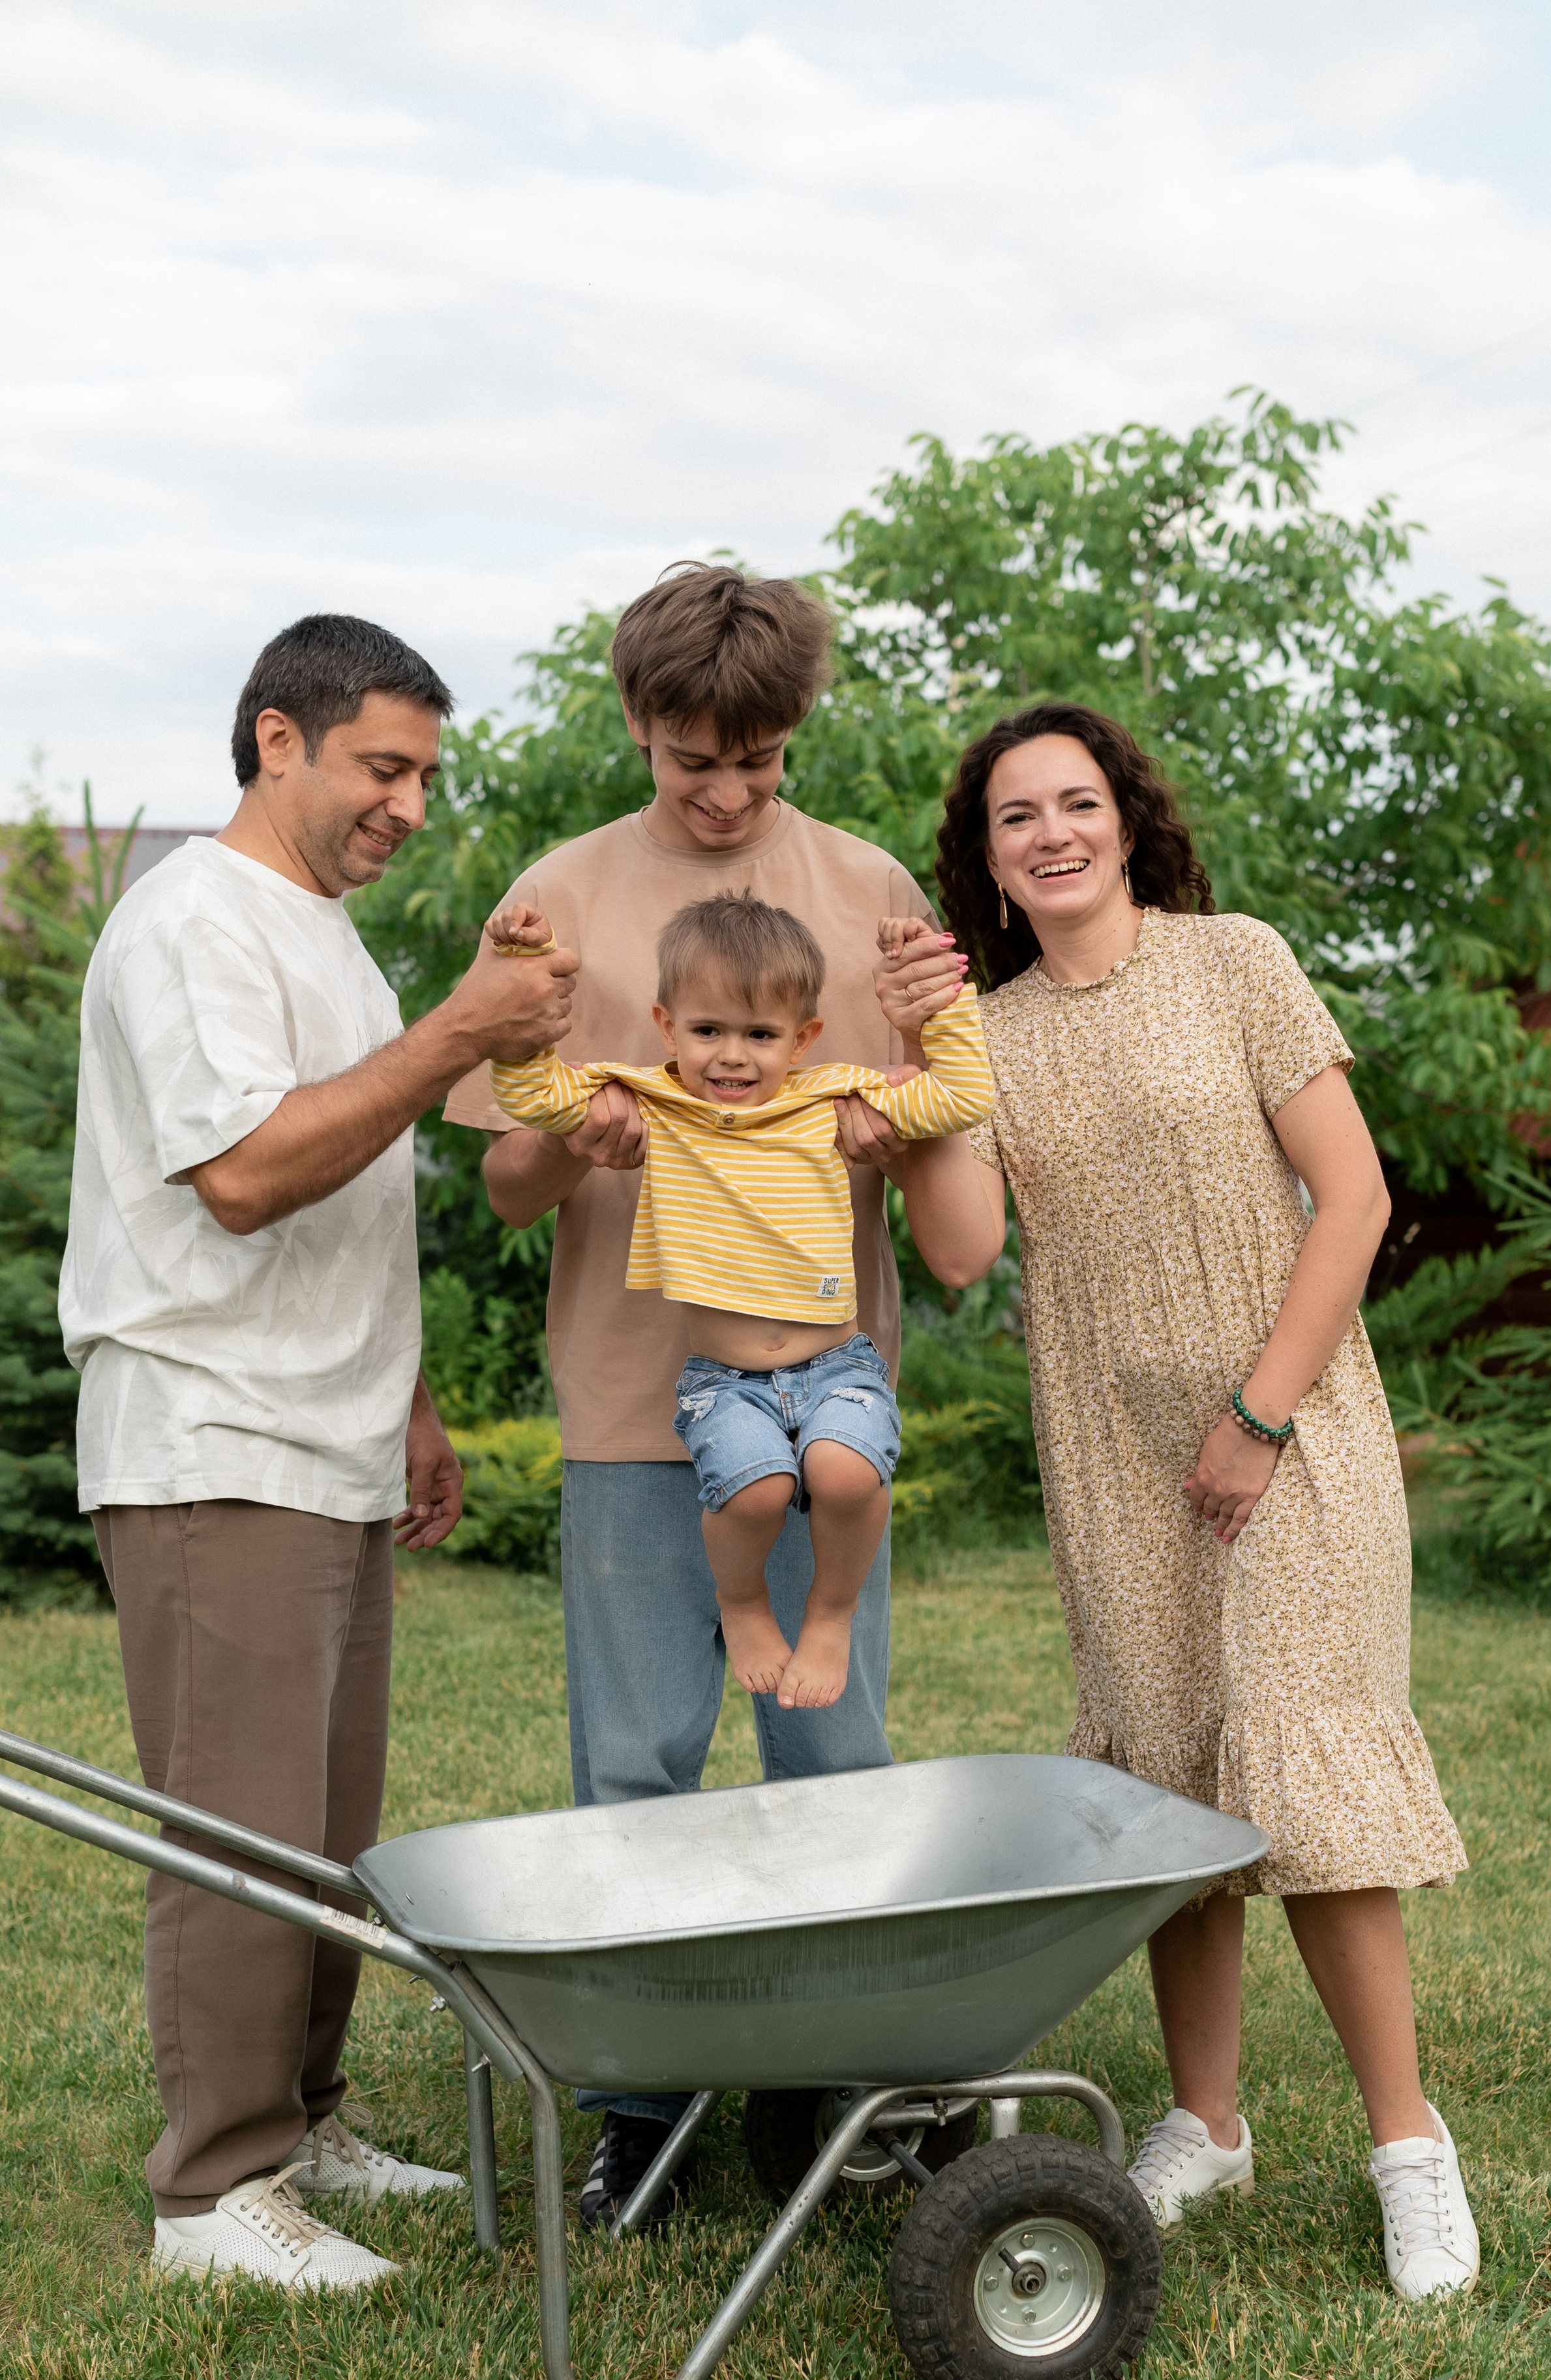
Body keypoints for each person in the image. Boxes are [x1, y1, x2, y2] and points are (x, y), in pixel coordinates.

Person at [871, 700, 1479, 2303]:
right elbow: (954, 1251)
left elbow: (1352, 1196)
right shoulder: (983, 1028)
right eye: (1017, 816)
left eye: (1077, 801)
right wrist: (922, 1058)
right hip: (1106, 1444)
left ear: (1125, 819)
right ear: (986, 860)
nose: (1051, 832)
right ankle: (1203, 2119)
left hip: (1285, 1418)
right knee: (1165, 1770)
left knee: (1302, 1762)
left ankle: (1406, 2146)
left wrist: (1255, 1412)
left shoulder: (1235, 962)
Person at [59, 613, 574, 2291]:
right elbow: (246, 1176)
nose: (410, 804)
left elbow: (351, 1192)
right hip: (216, 1435)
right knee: (235, 1832)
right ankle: (213, 2193)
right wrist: (461, 1032)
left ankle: (310, 2120)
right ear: (275, 740)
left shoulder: (327, 941)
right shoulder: (189, 921)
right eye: (383, 765)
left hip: (333, 1436)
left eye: (424, 772)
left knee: (323, 1827)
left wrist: (411, 1400)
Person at [439, 561, 939, 2229]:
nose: (725, 794)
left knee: (832, 1750)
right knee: (636, 1762)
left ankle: (834, 2087)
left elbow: (927, 1121)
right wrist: (554, 1140)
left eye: (760, 759)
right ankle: (640, 2099)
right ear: (638, 724)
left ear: (795, 732)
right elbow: (505, 1190)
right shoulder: (558, 902)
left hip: (818, 1408)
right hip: (632, 1410)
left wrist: (902, 1128)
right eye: (688, 759)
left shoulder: (869, 893)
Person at [484, 891, 991, 1703]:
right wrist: (519, 970)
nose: (732, 1056)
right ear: (666, 1024)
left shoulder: (833, 1098)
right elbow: (529, 1096)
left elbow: (961, 1098)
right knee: (752, 1491)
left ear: (804, 1039)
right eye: (707, 1030)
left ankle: (829, 1615)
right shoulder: (654, 1100)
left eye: (760, 1035)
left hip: (836, 1364)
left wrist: (945, 1001)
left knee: (848, 1473)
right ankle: (743, 1598)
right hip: (724, 1381)